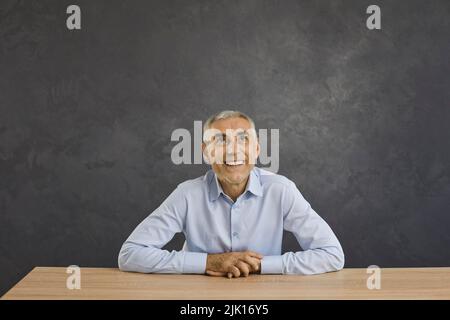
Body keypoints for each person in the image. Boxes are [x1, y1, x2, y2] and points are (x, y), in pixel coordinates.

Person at [118, 110, 344, 278]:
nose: (233, 150)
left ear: (256, 149)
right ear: (206, 153)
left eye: (243, 139)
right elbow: (129, 254)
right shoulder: (187, 194)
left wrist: (258, 265)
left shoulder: (281, 190)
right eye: (220, 140)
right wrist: (209, 262)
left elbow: (332, 254)